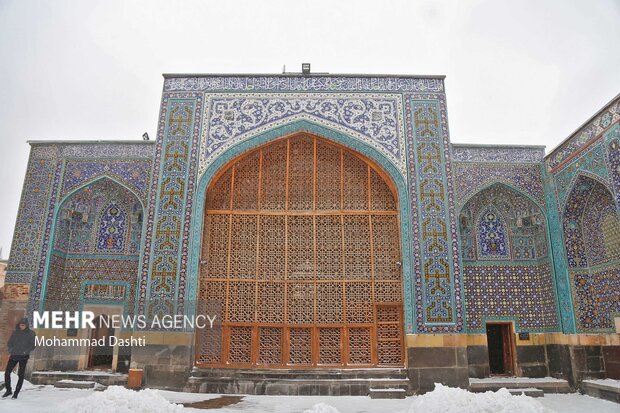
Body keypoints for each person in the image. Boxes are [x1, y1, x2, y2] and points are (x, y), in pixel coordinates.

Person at [2, 318, 36, 400]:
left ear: (26, 325)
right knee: (7, 373)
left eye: (23, 325)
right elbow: (10, 342)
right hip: (14, 355)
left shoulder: (31, 333)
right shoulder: (15, 332)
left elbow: (33, 345)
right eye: (21, 325)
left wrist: (26, 351)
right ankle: (8, 390)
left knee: (20, 375)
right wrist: (11, 350)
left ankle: (16, 392)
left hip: (23, 357)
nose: (22, 326)